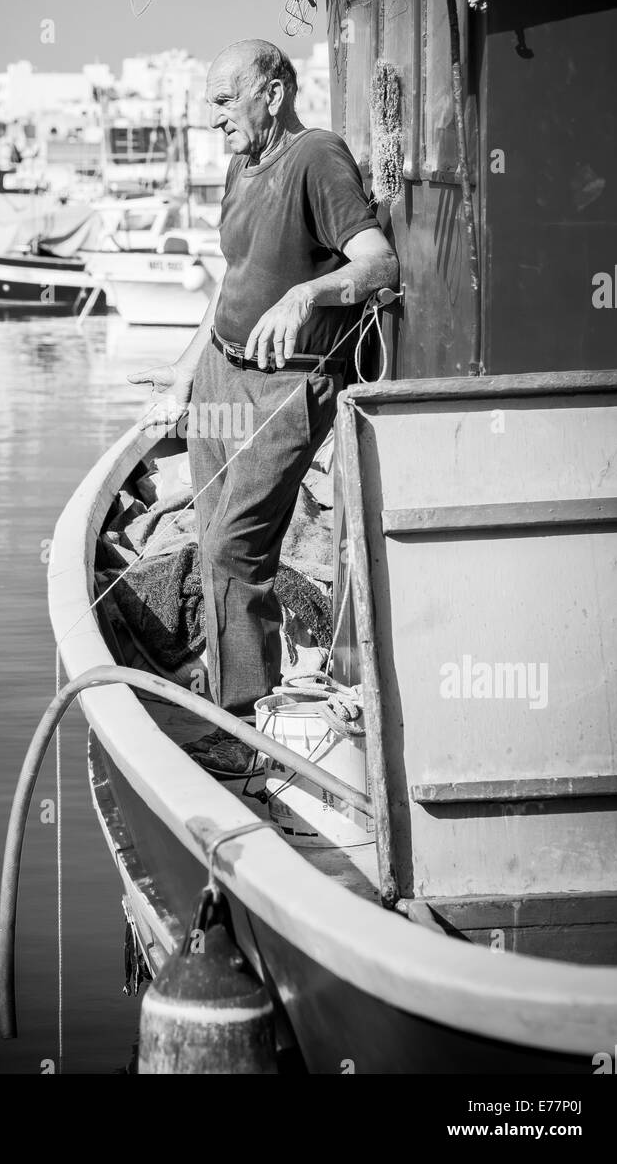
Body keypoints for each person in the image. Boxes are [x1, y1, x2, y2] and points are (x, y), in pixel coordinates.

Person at [129, 39, 398, 773]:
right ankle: (232, 699)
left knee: (232, 549)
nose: (212, 116)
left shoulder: (315, 158)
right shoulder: (240, 167)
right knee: (216, 542)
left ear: (272, 93)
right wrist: (186, 374)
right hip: (223, 373)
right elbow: (231, 282)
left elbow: (378, 261)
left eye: (224, 99)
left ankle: (244, 729)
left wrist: (307, 294)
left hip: (288, 383)